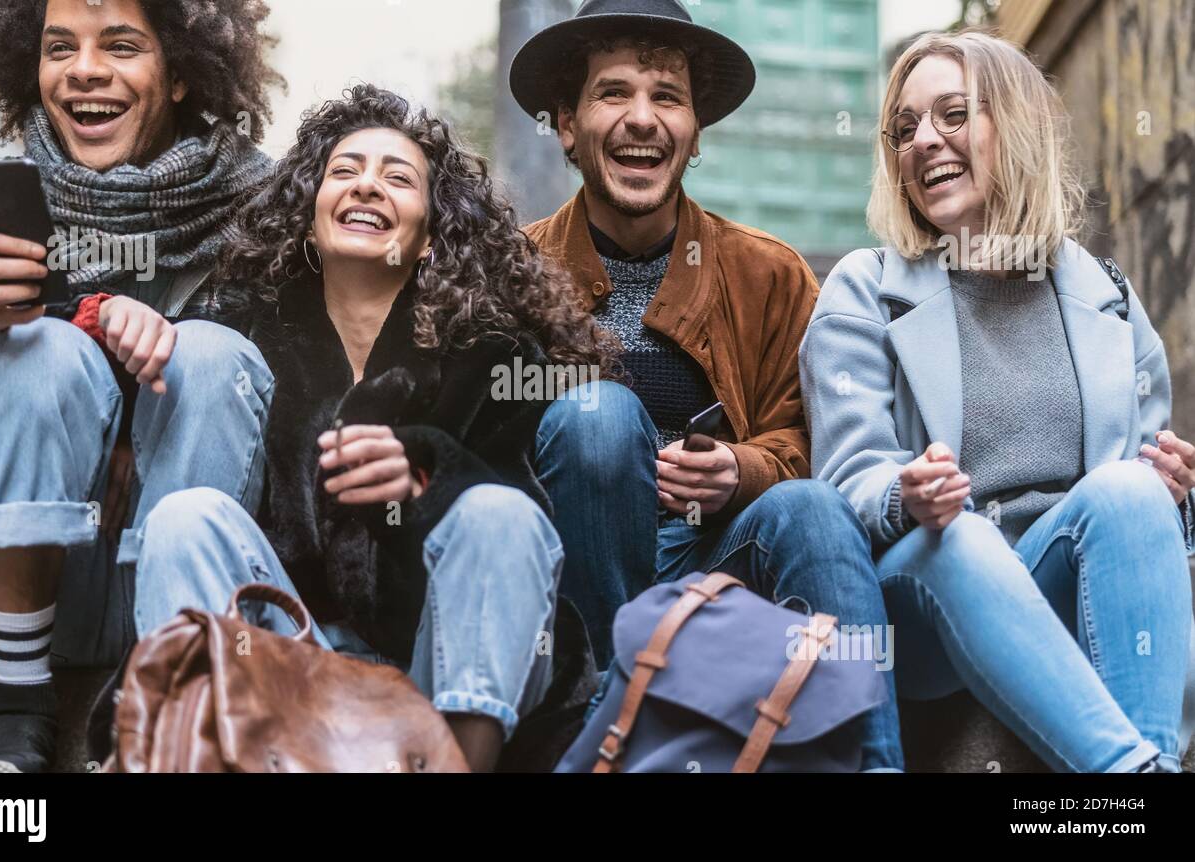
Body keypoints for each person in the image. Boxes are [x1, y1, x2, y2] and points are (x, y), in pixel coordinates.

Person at [131, 84, 617, 772]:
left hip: (440, 668)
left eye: (398, 178)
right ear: (307, 220)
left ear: (426, 240)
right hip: (290, 659)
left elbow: (523, 532)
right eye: (344, 171)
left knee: (498, 516)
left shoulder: (494, 356)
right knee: (186, 517)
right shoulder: (240, 332)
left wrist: (427, 475)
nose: (367, 186)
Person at [509, 0, 904, 771]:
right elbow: (474, 451)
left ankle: (878, 763)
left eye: (668, 97)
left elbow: (822, 442)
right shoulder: (509, 274)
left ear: (694, 135)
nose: (642, 118)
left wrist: (742, 470)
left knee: (812, 508)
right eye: (613, 93)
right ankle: (608, 716)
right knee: (598, 418)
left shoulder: (771, 273)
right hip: (571, 578)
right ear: (565, 124)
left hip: (717, 558)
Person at [0, 0, 282, 772]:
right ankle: (18, 713)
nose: (84, 70)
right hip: (37, 590)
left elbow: (312, 394)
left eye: (121, 45)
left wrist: (150, 392)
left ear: (178, 73)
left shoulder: (266, 210)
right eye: (59, 47)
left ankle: (172, 708)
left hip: (205, 585)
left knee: (206, 354)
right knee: (32, 346)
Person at [801, 30, 1193, 772]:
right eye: (905, 126)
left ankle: (1148, 771)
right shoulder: (863, 289)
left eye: (953, 115)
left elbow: (1142, 504)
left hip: (1062, 593)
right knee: (967, 533)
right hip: (930, 599)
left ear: (1013, 127)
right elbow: (840, 485)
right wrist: (903, 492)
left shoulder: (1106, 296)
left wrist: (1176, 496)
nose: (924, 141)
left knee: (1134, 492)